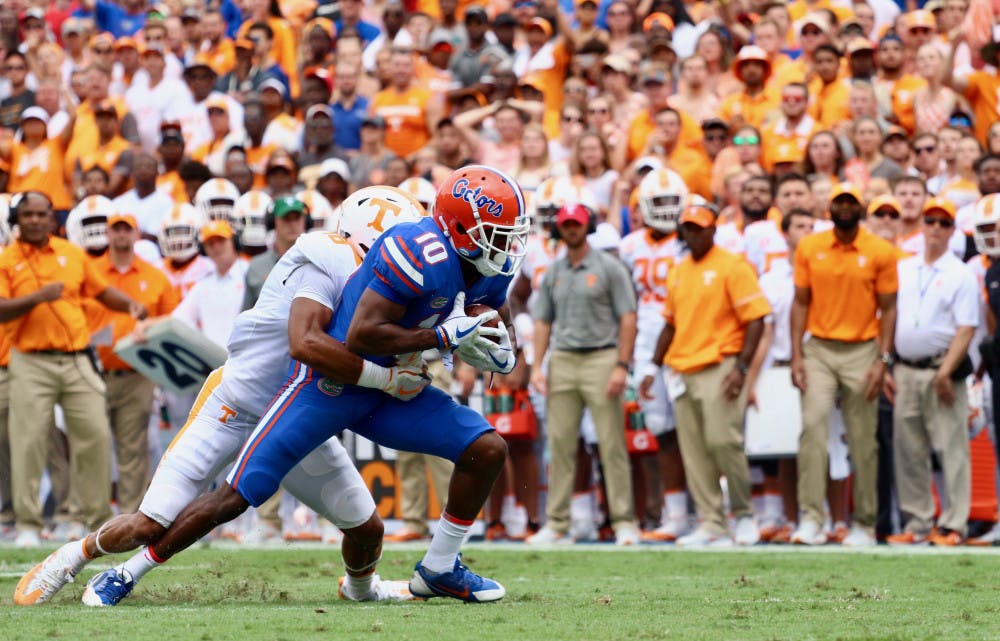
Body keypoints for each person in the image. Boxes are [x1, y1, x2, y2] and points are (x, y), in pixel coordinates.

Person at [99, 166, 526, 604]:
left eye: (510, 232)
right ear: (458, 228)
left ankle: (438, 568)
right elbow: (361, 336)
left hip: (389, 392)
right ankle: (129, 571)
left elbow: (494, 312)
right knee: (239, 492)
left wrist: (502, 347)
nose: (507, 243)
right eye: (496, 231)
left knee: (486, 448)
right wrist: (439, 338)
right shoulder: (409, 251)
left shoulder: (490, 263)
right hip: (329, 384)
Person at [13, 186, 430, 607]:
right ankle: (75, 554)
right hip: (233, 407)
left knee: (367, 529)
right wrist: (388, 378)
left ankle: (361, 589)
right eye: (400, 243)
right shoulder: (325, 259)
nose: (408, 255)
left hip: (295, 418)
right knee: (147, 524)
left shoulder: (375, 286)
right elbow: (307, 344)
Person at [0, 192, 147, 547]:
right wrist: (37, 298)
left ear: (53, 218)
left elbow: (100, 291)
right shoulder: (7, 260)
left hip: (78, 358)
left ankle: (94, 521)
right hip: (30, 360)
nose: (35, 220)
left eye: (41, 214)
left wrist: (129, 304)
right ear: (17, 220)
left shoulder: (71, 254)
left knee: (94, 435)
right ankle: (30, 525)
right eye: (28, 215)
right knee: (29, 440)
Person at [639, 197, 770, 547]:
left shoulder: (732, 266)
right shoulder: (679, 270)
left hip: (720, 363)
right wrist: (653, 366)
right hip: (681, 367)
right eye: (688, 228)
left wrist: (741, 368)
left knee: (723, 441)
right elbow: (669, 324)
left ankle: (743, 514)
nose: (693, 234)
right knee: (693, 449)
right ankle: (711, 521)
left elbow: (756, 318)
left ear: (713, 230)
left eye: (700, 228)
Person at [790, 183, 899, 547]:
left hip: (863, 349)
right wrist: (796, 354)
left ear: (861, 207)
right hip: (819, 347)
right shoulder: (810, 247)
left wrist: (883, 358)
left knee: (863, 439)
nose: (845, 207)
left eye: (851, 201)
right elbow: (800, 303)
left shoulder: (880, 251)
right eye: (840, 201)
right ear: (829, 207)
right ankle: (811, 518)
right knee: (812, 428)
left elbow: (889, 308)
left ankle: (864, 523)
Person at [528, 203, 640, 546]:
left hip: (602, 357)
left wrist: (622, 364)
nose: (572, 229)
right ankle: (557, 522)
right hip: (563, 359)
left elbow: (628, 317)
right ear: (559, 229)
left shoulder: (609, 267)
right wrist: (537, 365)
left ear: (586, 227)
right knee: (560, 444)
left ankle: (623, 521)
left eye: (576, 224)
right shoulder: (554, 271)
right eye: (566, 225)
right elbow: (543, 321)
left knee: (611, 443)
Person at [884, 197, 977, 547]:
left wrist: (946, 372)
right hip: (906, 367)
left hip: (941, 367)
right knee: (908, 449)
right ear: (921, 226)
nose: (936, 229)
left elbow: (966, 328)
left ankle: (954, 523)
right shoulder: (905, 268)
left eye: (943, 223)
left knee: (951, 447)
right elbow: (891, 317)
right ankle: (918, 522)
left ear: (952, 230)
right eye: (931, 222)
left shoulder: (961, 273)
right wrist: (886, 363)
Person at [621, 168, 689, 541]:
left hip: (688, 338)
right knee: (660, 430)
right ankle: (675, 515)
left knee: (696, 431)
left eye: (671, 202)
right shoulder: (630, 245)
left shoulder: (692, 238)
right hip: (647, 343)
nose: (665, 210)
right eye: (658, 202)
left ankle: (713, 511)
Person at [243, 196, 308, 310]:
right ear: (273, 222)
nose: (292, 224)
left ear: (305, 221)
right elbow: (246, 313)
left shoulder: (316, 261)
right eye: (286, 218)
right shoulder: (256, 266)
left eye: (297, 218)